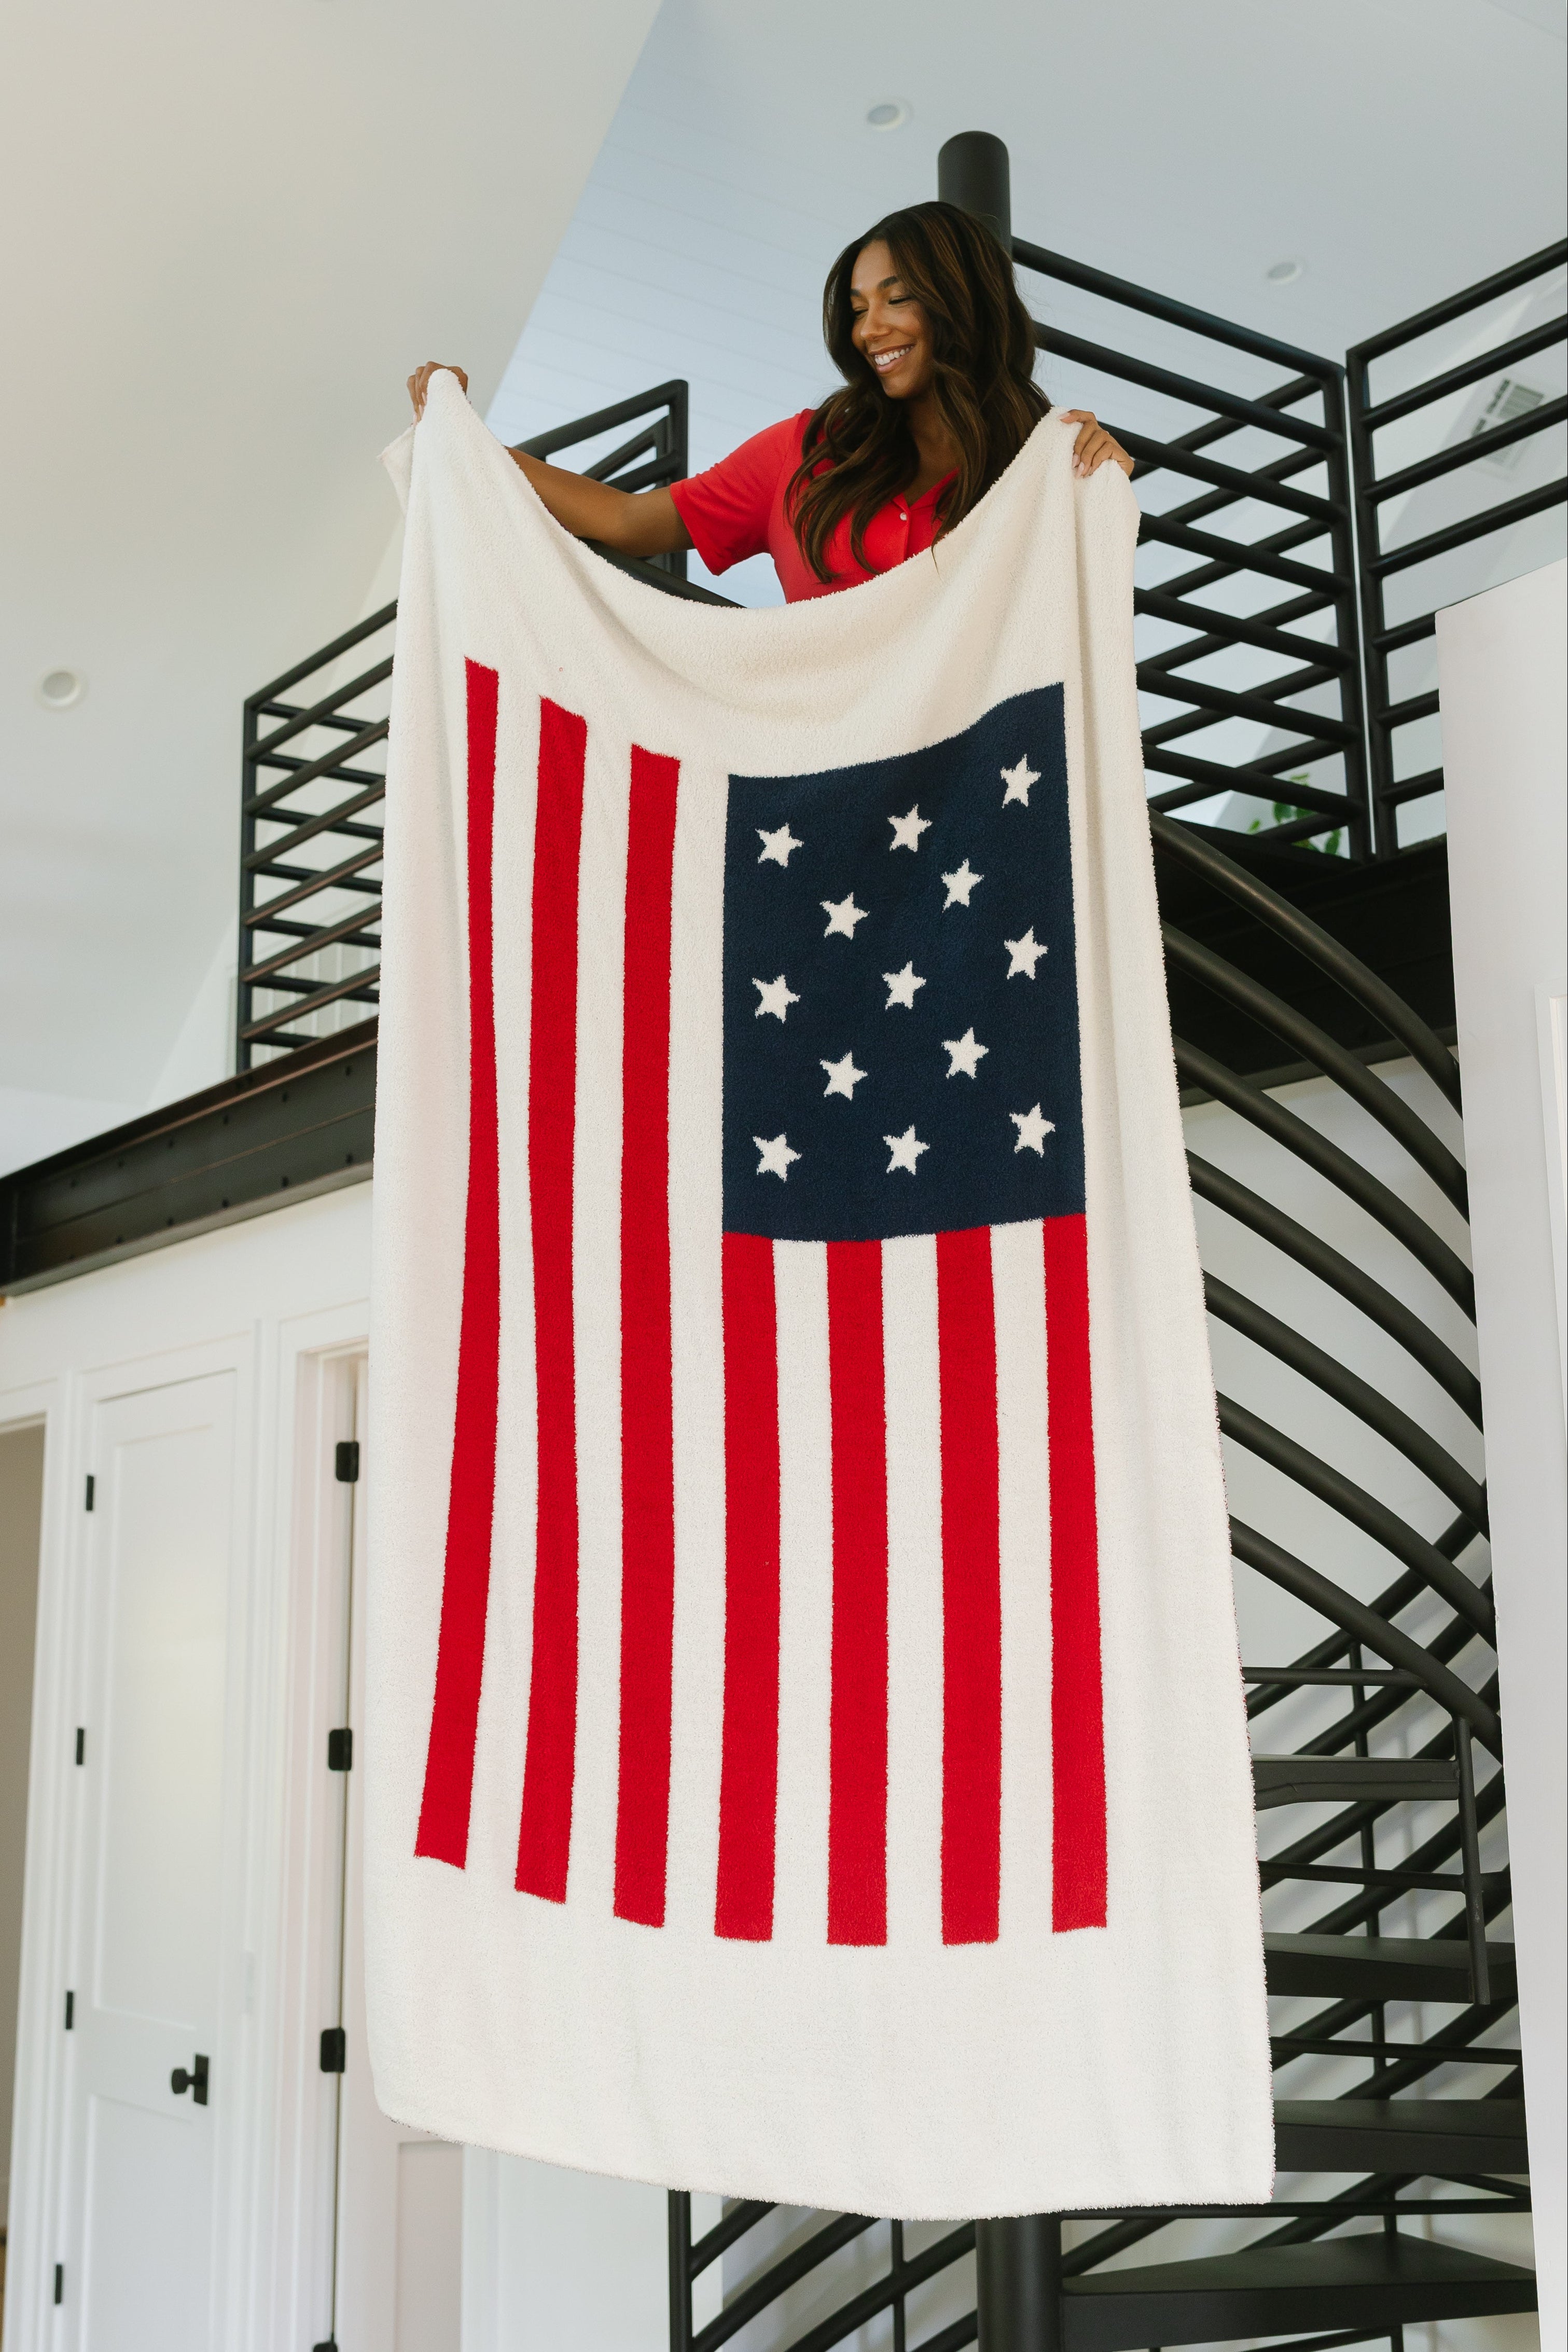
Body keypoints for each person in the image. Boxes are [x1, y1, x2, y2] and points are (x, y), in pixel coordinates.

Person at [407, 200, 1132, 605]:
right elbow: (627, 519)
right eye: (857, 307)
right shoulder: (807, 452)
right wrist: (469, 443)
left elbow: (1071, 625)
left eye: (897, 298)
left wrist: (1101, 484)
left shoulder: (1038, 462)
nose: (869, 328)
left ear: (960, 300)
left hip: (980, 799)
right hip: (824, 785)